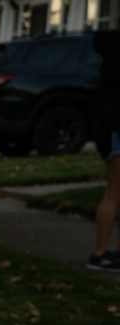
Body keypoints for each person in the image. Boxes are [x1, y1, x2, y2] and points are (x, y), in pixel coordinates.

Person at [90, 30, 120, 271]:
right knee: (114, 191)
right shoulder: (116, 57)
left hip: (110, 127)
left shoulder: (110, 53)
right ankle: (99, 254)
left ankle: (112, 254)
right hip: (115, 129)